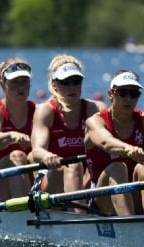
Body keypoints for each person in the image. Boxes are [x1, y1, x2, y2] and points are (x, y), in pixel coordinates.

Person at [30, 55, 106, 211]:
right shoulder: (46, 111)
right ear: (54, 84)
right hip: (52, 178)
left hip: (86, 179)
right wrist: (47, 156)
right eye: (65, 82)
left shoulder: (95, 109)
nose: (72, 87)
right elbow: (37, 150)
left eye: (76, 81)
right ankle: (80, 220)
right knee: (73, 165)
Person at [85, 70, 144, 216]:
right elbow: (105, 142)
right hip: (101, 198)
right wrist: (129, 148)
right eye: (123, 93)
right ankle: (129, 226)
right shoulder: (95, 121)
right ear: (111, 94)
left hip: (133, 194)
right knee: (118, 167)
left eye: (134, 93)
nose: (128, 98)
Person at [0, 57, 36, 201]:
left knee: (32, 158)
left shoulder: (38, 110)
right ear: (2, 83)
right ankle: (25, 214)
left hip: (26, 174)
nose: (21, 87)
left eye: (24, 81)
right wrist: (12, 136)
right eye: (15, 82)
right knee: (17, 155)